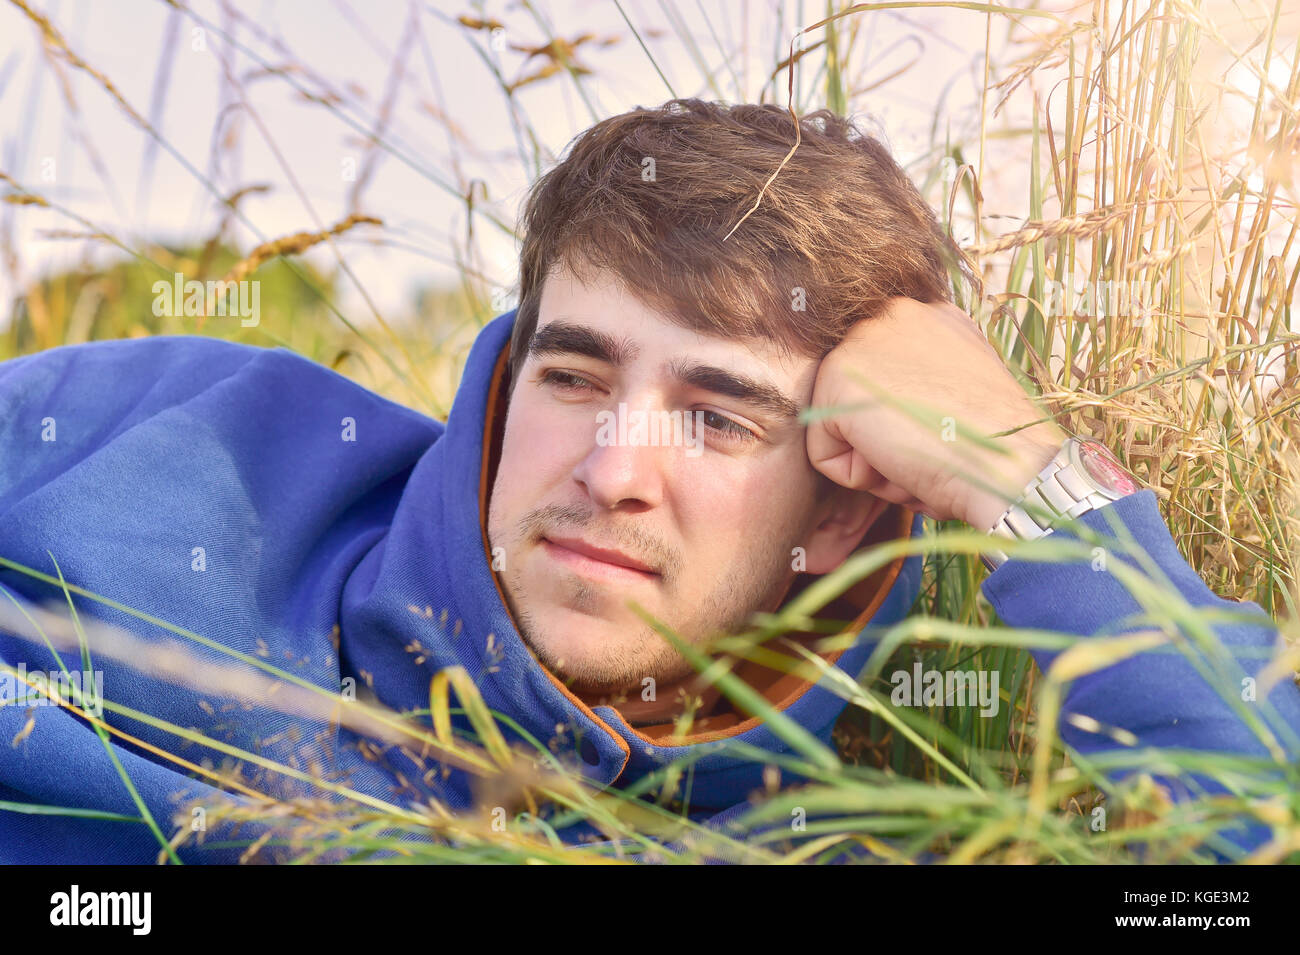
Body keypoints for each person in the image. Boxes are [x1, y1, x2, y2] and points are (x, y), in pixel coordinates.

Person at [0, 99, 1294, 864]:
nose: (613, 470)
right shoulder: (188, 430)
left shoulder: (821, 843)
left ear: (844, 508)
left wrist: (1035, 486)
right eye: (573, 377)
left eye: (719, 418)